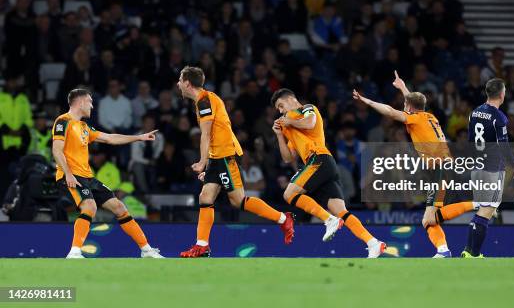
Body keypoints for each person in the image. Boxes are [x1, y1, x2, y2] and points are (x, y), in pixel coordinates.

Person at [353, 71, 475, 258]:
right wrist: (402, 87)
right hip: (444, 168)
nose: (403, 107)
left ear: (409, 108)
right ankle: (443, 250)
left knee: (430, 218)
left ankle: (479, 204)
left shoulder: (415, 118)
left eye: (405, 105)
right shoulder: (429, 117)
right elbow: (412, 104)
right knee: (430, 221)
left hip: (440, 169)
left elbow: (391, 112)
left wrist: (366, 101)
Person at [176, 67, 294, 258]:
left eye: (180, 80)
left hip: (225, 155)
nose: (178, 83)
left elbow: (205, 134)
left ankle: (283, 218)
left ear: (188, 83)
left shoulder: (204, 101)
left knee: (238, 200)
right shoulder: (204, 99)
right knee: (205, 198)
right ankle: (202, 245)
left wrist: (202, 162)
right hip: (218, 156)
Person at [271, 88, 387, 258]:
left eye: (281, 106)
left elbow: (310, 123)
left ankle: (328, 219)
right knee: (341, 210)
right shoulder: (289, 125)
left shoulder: (306, 109)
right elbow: (289, 158)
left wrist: (288, 122)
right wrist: (280, 136)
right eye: (278, 109)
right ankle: (373, 243)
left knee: (289, 194)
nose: (280, 111)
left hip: (318, 159)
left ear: (290, 99)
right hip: (322, 166)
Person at [52, 88, 163, 259]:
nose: (92, 106)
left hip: (88, 177)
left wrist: (139, 137)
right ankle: (74, 252)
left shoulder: (84, 127)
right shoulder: (62, 121)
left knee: (119, 207)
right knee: (90, 206)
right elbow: (56, 150)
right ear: (80, 102)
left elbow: (111, 138)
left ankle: (146, 250)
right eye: (90, 101)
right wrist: (68, 174)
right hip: (72, 175)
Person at [462, 78, 514, 258]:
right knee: (486, 211)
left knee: (483, 209)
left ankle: (469, 251)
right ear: (502, 94)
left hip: (476, 167)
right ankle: (473, 253)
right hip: (492, 168)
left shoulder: (474, 113)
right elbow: (504, 146)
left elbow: (470, 142)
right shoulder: (499, 117)